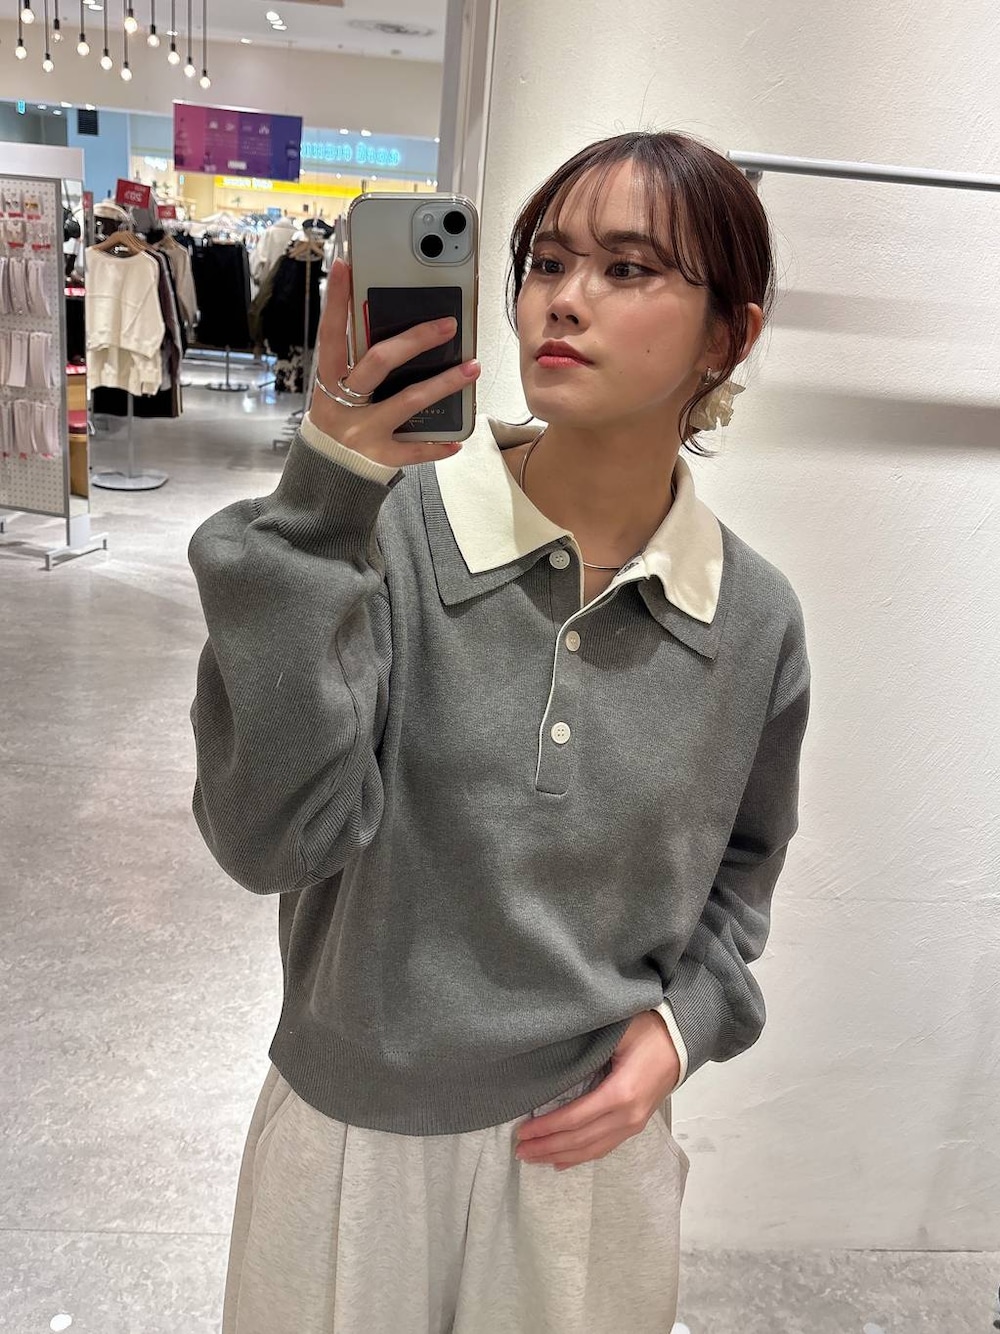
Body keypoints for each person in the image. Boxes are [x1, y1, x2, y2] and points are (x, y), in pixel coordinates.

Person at [188, 130, 811, 1334]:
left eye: (628, 268)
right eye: (546, 262)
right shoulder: (385, 533)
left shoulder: (750, 616)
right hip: (352, 1138)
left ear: (727, 336)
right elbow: (268, 839)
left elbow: (744, 864)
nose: (563, 300)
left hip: (587, 1152)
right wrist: (321, 500)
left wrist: (680, 1029)